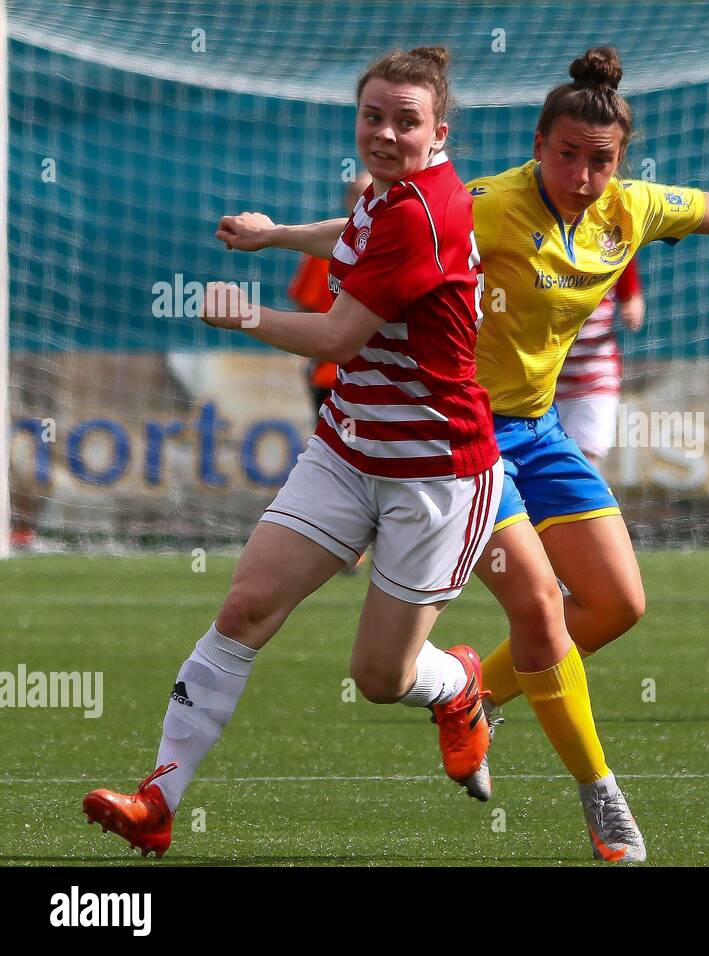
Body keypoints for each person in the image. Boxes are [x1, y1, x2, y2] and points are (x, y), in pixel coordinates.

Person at [216, 46, 709, 862]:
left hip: (537, 427)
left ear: (620, 162)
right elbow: (363, 235)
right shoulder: (486, 204)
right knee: (542, 610)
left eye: (601, 161)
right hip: (461, 438)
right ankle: (603, 800)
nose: (583, 174)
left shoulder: (629, 211)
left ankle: (474, 696)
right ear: (538, 146)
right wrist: (276, 238)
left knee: (619, 604)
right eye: (566, 155)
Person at [82, 48, 502, 858]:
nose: (384, 133)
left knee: (380, 679)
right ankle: (156, 803)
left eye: (404, 121)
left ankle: (456, 686)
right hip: (348, 449)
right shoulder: (388, 198)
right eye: (373, 116)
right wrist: (278, 236)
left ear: (439, 131)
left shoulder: (428, 210)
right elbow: (355, 233)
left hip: (436, 473)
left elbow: (338, 334)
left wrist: (245, 315)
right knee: (243, 608)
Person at [288, 172, 374, 413]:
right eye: (356, 194)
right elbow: (304, 311)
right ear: (347, 201)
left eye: (369, 194)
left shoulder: (401, 244)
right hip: (331, 378)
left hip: (381, 380)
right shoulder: (322, 251)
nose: (363, 201)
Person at [554, 258, 644, 464]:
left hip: (595, 378)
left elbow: (632, 297)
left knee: (585, 466)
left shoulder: (613, 244)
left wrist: (632, 309)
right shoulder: (542, 243)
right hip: (544, 380)